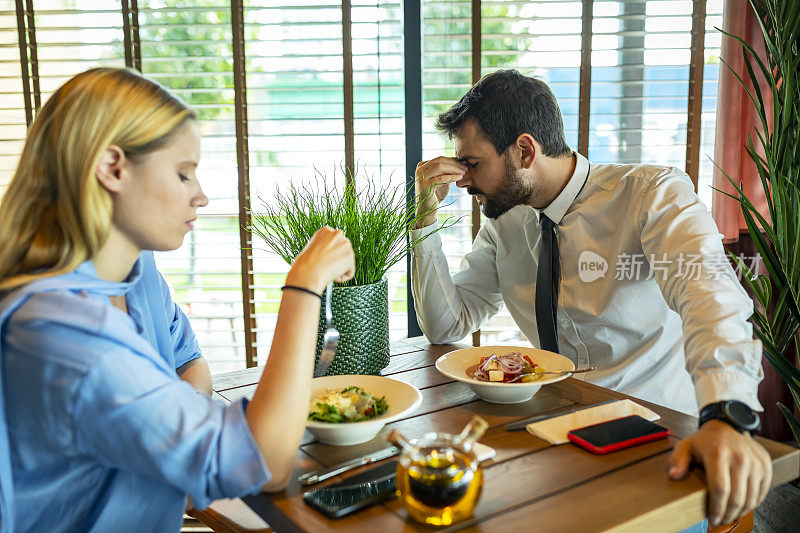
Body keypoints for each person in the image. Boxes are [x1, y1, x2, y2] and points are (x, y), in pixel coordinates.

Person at [410, 69, 772, 527]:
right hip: (548, 438)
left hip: (655, 443)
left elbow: (711, 295)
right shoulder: (505, 223)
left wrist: (725, 414)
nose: (462, 181)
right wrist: (422, 225)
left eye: (473, 164)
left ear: (525, 151)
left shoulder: (652, 195)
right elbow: (447, 324)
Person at [0, 67, 355, 532]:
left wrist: (168, 434)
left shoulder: (136, 272)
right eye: (184, 173)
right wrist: (304, 286)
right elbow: (264, 465)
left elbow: (189, 369)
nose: (202, 196)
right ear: (113, 168)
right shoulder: (61, 330)